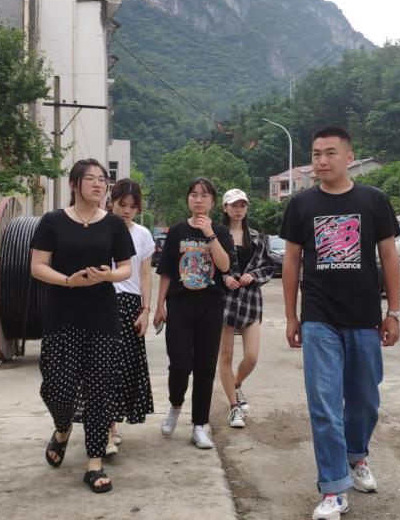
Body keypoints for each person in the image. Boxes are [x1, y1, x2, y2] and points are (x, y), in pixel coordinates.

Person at [280, 126, 400, 520]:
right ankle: (333, 488)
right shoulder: (301, 205)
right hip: (319, 318)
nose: (322, 160)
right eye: (316, 154)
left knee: (365, 399)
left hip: (364, 317)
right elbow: (291, 262)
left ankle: (356, 454)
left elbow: (389, 256)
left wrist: (394, 311)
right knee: (324, 404)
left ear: (350, 157)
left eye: (330, 153)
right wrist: (292, 316)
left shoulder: (373, 200)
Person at [30, 159, 134, 493]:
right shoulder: (52, 222)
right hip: (62, 315)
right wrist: (68, 281)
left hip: (102, 317)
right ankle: (62, 428)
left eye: (102, 179)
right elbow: (37, 266)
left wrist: (108, 276)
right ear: (74, 184)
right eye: (90, 178)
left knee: (99, 390)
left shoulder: (113, 225)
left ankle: (94, 462)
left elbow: (126, 268)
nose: (98, 184)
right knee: (56, 388)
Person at [153, 178, 236, 449]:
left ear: (213, 201)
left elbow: (224, 266)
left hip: (210, 307)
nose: (198, 200)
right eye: (194, 195)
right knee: (179, 364)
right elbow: (166, 271)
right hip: (180, 306)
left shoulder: (221, 232)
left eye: (204, 195)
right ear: (188, 199)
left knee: (204, 368)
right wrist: (159, 305)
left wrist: (209, 234)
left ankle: (199, 424)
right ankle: (175, 405)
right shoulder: (177, 231)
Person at [217, 188, 274, 428]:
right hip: (225, 303)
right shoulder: (217, 235)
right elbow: (207, 267)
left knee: (251, 356)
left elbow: (269, 266)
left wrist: (254, 275)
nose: (238, 209)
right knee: (226, 356)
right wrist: (224, 278)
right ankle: (234, 406)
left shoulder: (256, 237)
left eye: (242, 205)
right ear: (225, 208)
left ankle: (236, 384)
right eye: (234, 205)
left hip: (250, 302)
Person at [107, 178, 155, 453]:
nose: (126, 210)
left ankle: (112, 425)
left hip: (131, 305)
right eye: (121, 204)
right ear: (112, 202)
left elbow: (146, 275)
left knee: (123, 369)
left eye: (132, 206)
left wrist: (146, 310)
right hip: (102, 301)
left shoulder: (142, 234)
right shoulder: (99, 226)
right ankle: (107, 431)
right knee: (104, 367)